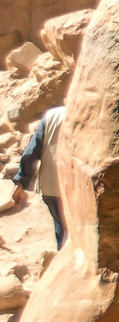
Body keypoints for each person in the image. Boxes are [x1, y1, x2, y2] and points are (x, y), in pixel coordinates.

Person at [11, 105, 66, 248]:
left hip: (50, 187)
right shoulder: (89, 113)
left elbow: (30, 153)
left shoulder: (52, 115)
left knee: (63, 234)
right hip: (74, 189)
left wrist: (20, 183)